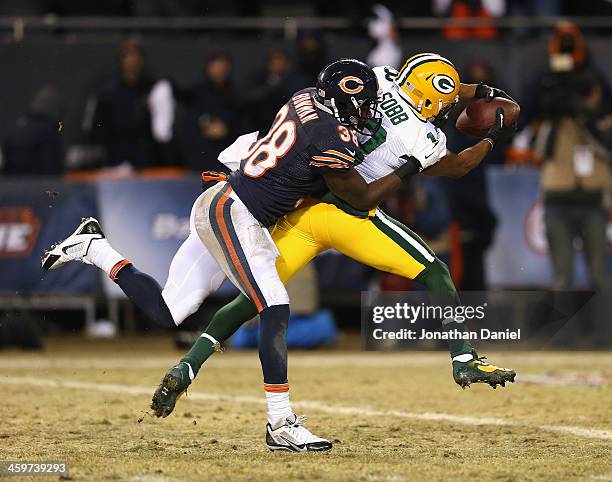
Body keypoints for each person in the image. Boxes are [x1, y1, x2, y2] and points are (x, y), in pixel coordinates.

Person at [42, 59, 419, 452]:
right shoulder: (328, 135)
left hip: (225, 203)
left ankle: (94, 248)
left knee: (169, 311)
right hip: (237, 213)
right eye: (363, 103)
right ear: (343, 100)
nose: (368, 111)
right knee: (274, 305)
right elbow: (359, 197)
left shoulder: (307, 99)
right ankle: (280, 422)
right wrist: (411, 166)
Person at [1, 86, 63, 176]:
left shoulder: (15, 126)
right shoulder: (48, 131)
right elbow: (52, 168)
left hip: (11, 185)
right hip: (38, 185)